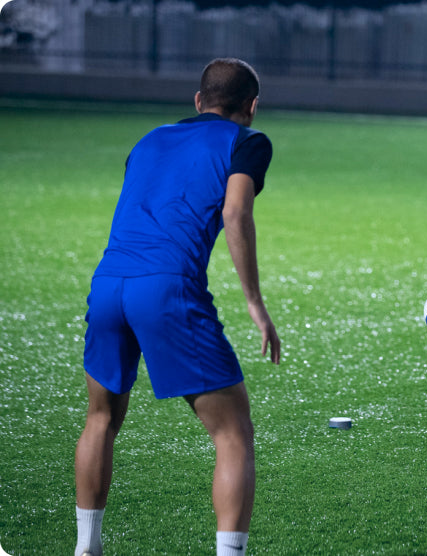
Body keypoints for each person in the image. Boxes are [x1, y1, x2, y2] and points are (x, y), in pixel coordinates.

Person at [74, 58, 280, 556]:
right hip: (166, 291)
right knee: (233, 432)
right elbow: (234, 210)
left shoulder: (147, 140)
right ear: (252, 107)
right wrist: (254, 300)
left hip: (107, 285)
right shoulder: (248, 142)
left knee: (100, 419)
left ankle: (86, 548)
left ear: (197, 100)